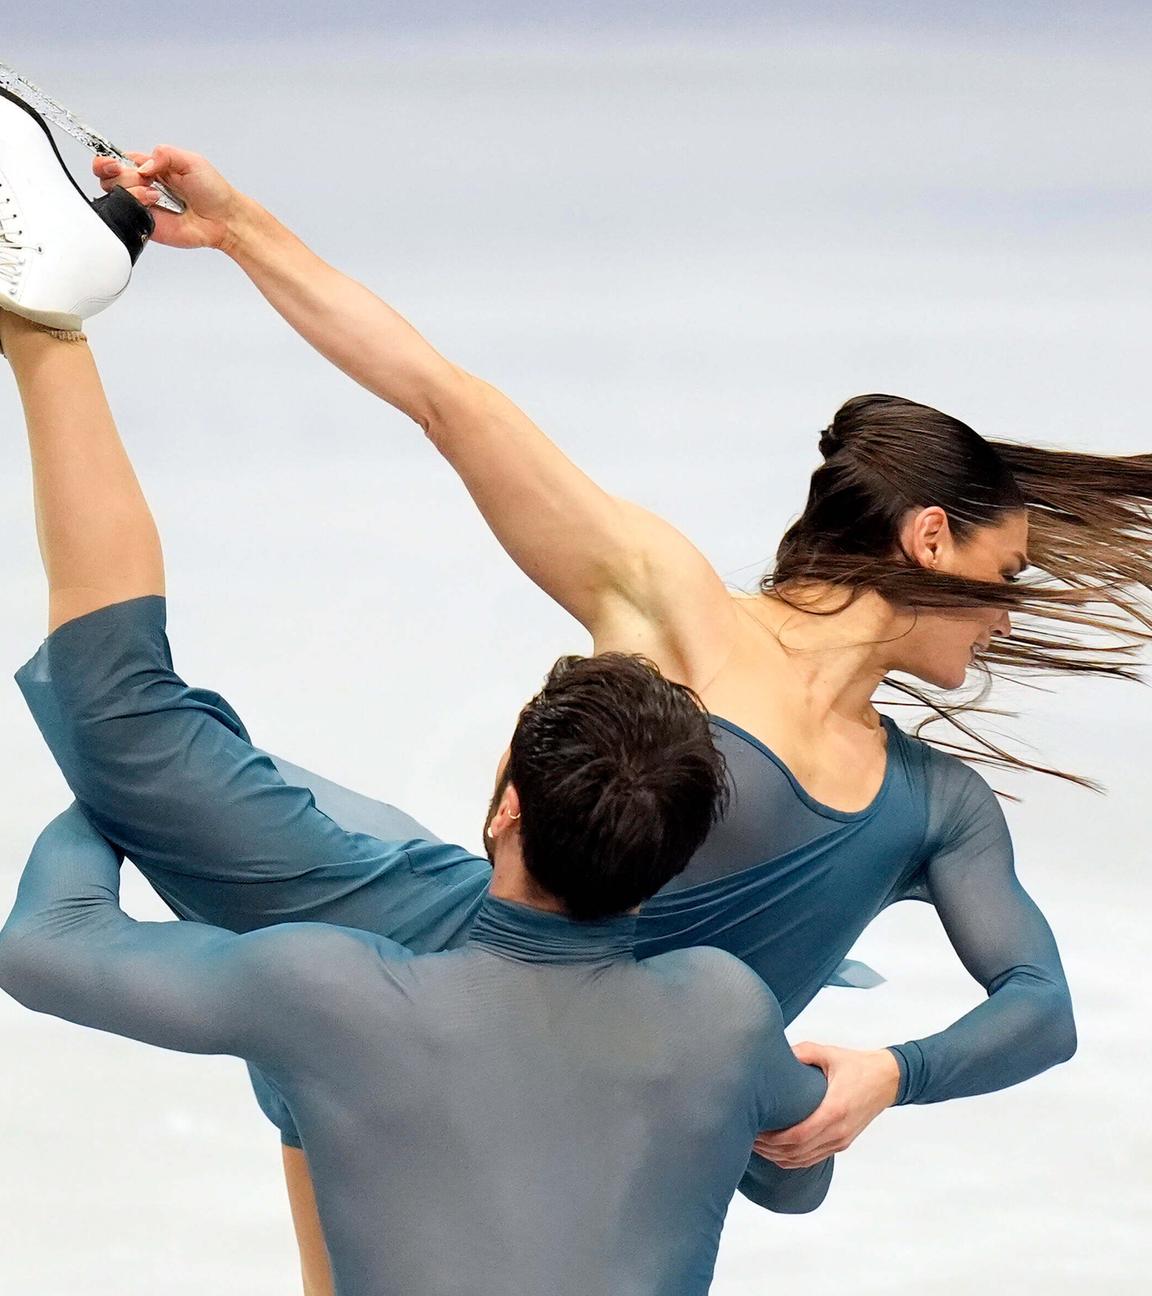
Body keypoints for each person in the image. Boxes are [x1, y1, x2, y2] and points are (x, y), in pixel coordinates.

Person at [2, 91, 1086, 1288]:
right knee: (121, 725)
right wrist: (246, 225)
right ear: (929, 536)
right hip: (435, 935)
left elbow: (1041, 1005)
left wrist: (899, 1070)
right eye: (1008, 573)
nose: (1010, 610)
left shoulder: (931, 805)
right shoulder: (673, 601)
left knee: (153, 809)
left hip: (623, 1041)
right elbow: (443, 398)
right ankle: (42, 321)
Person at [0, 643, 839, 1296]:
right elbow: (802, 1177)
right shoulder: (726, 1013)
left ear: (511, 808)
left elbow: (45, 945)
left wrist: (129, 789)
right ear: (673, 856)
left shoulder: (332, 997)